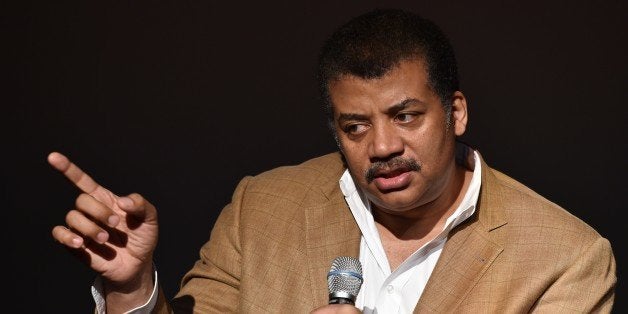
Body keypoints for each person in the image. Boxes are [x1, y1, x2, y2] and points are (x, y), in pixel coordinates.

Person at [49, 8, 617, 314]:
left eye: (407, 116)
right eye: (356, 126)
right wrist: (130, 290)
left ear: (457, 113)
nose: (384, 147)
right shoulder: (262, 208)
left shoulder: (564, 258)